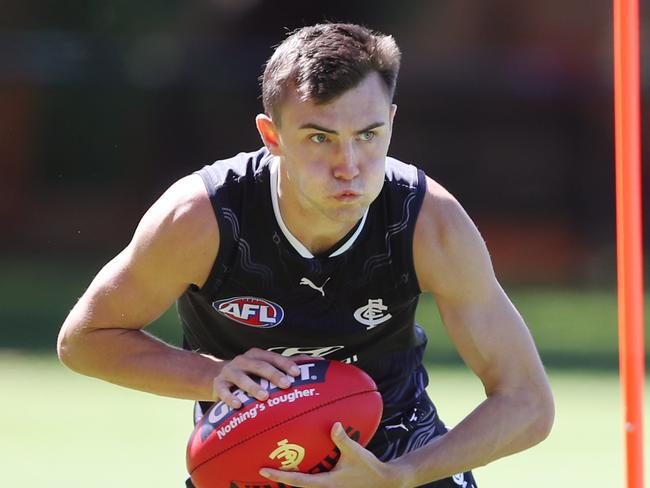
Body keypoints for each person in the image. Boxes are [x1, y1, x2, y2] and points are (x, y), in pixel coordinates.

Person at [57, 23, 554, 488]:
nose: (349, 166)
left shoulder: (428, 222)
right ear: (271, 136)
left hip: (398, 448)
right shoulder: (200, 219)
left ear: (391, 124)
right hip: (255, 456)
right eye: (320, 137)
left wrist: (399, 475)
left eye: (368, 135)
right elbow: (84, 339)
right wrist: (213, 375)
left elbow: (528, 401)